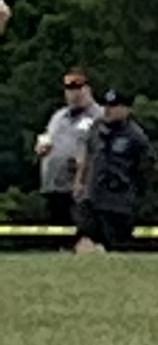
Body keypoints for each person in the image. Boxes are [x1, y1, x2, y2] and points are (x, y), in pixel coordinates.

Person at [74, 91, 154, 255]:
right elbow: (87, 156)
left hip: (118, 202)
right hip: (93, 197)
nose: (108, 110)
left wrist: (135, 190)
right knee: (85, 238)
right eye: (106, 105)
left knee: (116, 245)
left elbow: (146, 166)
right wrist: (79, 182)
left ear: (127, 110)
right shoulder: (96, 128)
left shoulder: (135, 136)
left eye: (114, 106)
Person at [36, 69, 98, 237]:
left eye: (78, 89)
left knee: (83, 232)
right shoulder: (58, 116)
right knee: (60, 233)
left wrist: (81, 178)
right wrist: (41, 147)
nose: (74, 94)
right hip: (55, 184)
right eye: (70, 90)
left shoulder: (98, 116)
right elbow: (47, 136)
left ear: (88, 90)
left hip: (83, 187)